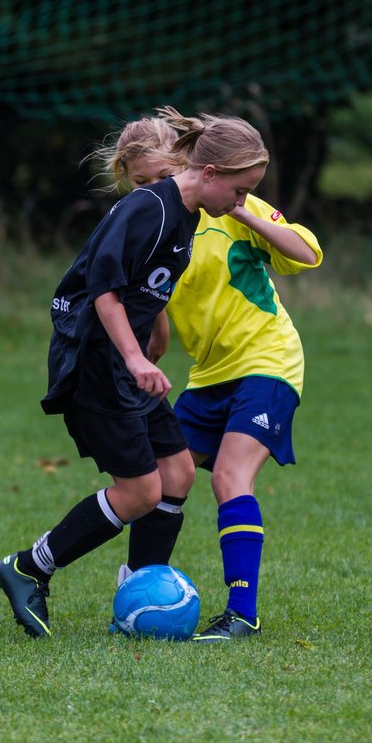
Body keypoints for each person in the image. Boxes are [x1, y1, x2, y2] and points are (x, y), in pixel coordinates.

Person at [0, 107, 269, 638]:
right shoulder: (148, 207)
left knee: (179, 472)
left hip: (125, 361)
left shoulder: (185, 212)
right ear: (208, 174)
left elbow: (146, 283)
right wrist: (136, 356)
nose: (241, 204)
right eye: (239, 192)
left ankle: (139, 593)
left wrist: (156, 336)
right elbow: (104, 290)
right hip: (96, 359)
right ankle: (29, 568)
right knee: (141, 491)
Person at [96, 112, 323, 642]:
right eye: (141, 182)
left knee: (227, 477)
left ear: (193, 165)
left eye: (161, 177)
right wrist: (145, 354)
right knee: (162, 478)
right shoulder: (155, 224)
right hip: (208, 375)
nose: (152, 190)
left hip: (268, 360)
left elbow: (307, 253)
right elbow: (153, 307)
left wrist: (247, 215)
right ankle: (135, 593)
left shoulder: (229, 204)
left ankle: (242, 614)